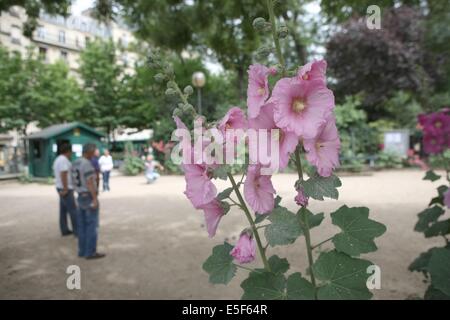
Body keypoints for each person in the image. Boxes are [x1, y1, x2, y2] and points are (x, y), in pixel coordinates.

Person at [72, 143, 105, 260]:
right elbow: (90, 182)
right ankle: (90, 251)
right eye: (94, 151)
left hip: (80, 195)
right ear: (89, 151)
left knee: (82, 225)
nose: (95, 153)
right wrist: (95, 198)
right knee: (92, 225)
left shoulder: (75, 162)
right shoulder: (87, 164)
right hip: (88, 196)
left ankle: (82, 250)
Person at [53, 142, 78, 237]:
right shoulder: (64, 160)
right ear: (68, 151)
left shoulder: (58, 159)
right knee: (73, 210)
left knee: (63, 210)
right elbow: (63, 174)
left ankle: (64, 229)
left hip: (60, 187)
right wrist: (66, 188)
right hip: (65, 188)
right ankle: (77, 231)